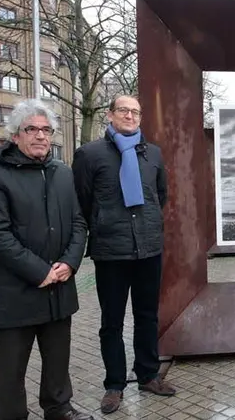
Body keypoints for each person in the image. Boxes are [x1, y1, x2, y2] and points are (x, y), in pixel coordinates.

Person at [0, 99, 92, 420]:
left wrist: (70, 262)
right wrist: (41, 271)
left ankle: (59, 409)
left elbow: (79, 222)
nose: (40, 136)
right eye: (32, 129)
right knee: (11, 374)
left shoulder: (62, 173)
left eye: (46, 130)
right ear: (15, 135)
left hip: (59, 291)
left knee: (57, 363)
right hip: (15, 296)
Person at [72, 95, 176, 414]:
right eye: (123, 110)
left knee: (147, 317)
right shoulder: (89, 155)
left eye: (135, 112)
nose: (130, 116)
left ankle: (147, 375)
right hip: (111, 252)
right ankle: (114, 384)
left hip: (148, 250)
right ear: (110, 115)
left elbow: (161, 195)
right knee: (111, 322)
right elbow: (83, 201)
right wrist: (104, 224)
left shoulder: (153, 154)